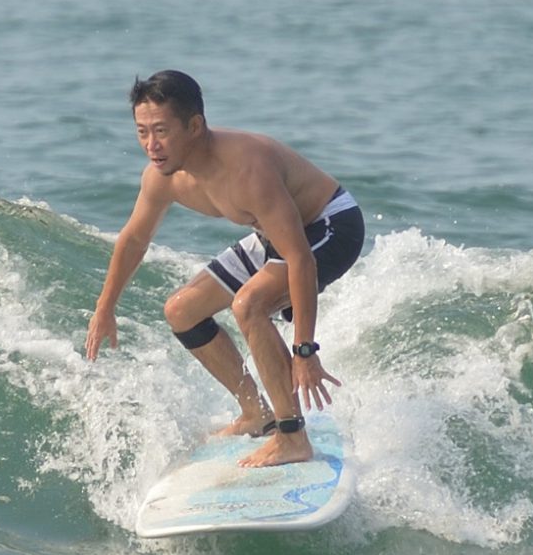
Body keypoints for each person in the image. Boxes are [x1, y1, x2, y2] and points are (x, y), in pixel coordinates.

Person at [85, 70, 365, 467]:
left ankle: (292, 436)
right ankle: (256, 413)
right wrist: (105, 307)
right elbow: (133, 239)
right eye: (142, 132)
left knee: (248, 305)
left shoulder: (247, 170)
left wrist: (305, 350)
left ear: (195, 125)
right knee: (182, 311)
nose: (152, 145)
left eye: (162, 131)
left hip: (329, 226)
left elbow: (300, 257)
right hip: (274, 233)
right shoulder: (162, 178)